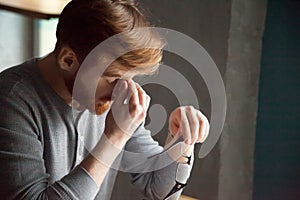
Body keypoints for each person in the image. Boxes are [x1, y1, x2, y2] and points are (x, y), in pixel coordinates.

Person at [0, 0, 209, 199]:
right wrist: (114, 138)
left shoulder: (108, 99)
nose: (121, 91)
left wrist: (182, 139)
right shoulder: (11, 100)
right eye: (113, 78)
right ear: (68, 59)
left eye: (129, 79)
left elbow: (159, 189)